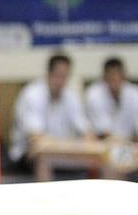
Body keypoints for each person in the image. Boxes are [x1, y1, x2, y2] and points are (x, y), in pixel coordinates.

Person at [9, 54, 91, 182]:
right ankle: (47, 201)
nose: (61, 81)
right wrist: (70, 144)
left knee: (108, 158)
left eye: (65, 76)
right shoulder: (32, 94)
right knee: (44, 156)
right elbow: (37, 138)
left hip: (63, 152)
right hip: (27, 155)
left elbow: (87, 132)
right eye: (58, 75)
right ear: (48, 74)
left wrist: (87, 141)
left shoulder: (70, 96)